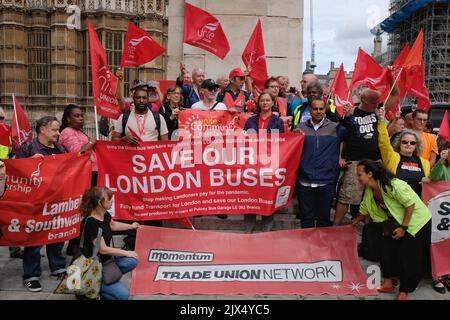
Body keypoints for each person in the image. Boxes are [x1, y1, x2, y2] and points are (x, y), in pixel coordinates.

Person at [352, 160, 432, 300]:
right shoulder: (370, 189)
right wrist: (356, 221)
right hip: (393, 222)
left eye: (359, 174)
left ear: (370, 174)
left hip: (416, 222)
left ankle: (404, 291)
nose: (357, 178)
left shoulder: (394, 185)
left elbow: (410, 205)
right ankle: (388, 282)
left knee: (410, 257)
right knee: (386, 249)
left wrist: (403, 228)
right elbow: (365, 206)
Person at [334, 83, 400, 225]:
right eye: (373, 102)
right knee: (347, 195)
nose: (377, 105)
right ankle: (336, 225)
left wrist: (391, 77)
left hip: (375, 161)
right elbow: (341, 138)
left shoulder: (378, 112)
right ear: (363, 100)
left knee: (378, 194)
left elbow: (394, 94)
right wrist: (340, 157)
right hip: (355, 161)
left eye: (378, 102)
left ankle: (372, 226)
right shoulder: (350, 112)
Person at [15, 116, 68, 292]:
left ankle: (58, 268)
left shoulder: (61, 148)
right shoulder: (28, 148)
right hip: (35, 204)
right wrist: (29, 163)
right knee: (34, 240)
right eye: (54, 130)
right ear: (42, 130)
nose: (58, 133)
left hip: (56, 202)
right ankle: (31, 275)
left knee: (56, 235)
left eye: (58, 129)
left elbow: (71, 167)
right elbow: (14, 172)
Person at [295, 99, 357, 228]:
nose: (318, 111)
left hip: (326, 180)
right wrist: (295, 136)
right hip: (304, 180)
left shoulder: (335, 127)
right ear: (310, 110)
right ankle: (307, 247)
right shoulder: (300, 128)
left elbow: (354, 134)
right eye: (315, 109)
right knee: (306, 218)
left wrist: (349, 117)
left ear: (325, 110)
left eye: (321, 109)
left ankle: (322, 247)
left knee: (324, 219)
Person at [79, 186, 139, 300]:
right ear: (99, 203)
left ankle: (106, 279)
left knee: (132, 261)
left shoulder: (104, 213)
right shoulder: (92, 222)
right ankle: (93, 284)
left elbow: (113, 225)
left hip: (105, 261)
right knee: (123, 296)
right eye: (109, 199)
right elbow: (103, 249)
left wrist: (131, 226)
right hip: (94, 264)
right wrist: (126, 252)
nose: (112, 201)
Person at [243, 92, 285, 233]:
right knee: (251, 195)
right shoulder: (250, 121)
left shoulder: (278, 122)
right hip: (252, 163)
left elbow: (283, 143)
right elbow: (244, 141)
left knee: (267, 195)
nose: (265, 103)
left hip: (270, 164)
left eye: (268, 100)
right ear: (258, 103)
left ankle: (267, 227)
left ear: (273, 103)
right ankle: (249, 227)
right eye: (262, 100)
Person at [59, 104, 97, 256]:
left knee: (87, 209)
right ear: (68, 119)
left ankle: (78, 243)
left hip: (90, 172)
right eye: (76, 115)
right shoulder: (67, 132)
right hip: (80, 176)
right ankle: (74, 244)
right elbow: (77, 152)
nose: (80, 118)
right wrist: (91, 143)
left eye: (81, 115)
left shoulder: (79, 131)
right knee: (81, 210)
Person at [376, 107, 430, 196]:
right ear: (399, 143)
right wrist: (381, 121)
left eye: (412, 143)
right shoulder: (392, 157)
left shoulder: (425, 163)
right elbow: (384, 142)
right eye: (405, 142)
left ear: (416, 145)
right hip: (395, 202)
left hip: (416, 203)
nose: (408, 144)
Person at [0, 108, 24, 258]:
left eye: (2, 118)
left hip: (6, 178)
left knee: (9, 214)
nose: (1, 122)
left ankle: (14, 248)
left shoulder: (6, 132)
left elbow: (13, 151)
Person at [429, 141, 450, 294]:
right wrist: (441, 162)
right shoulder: (442, 167)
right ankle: (437, 277)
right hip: (441, 215)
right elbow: (434, 177)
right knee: (438, 244)